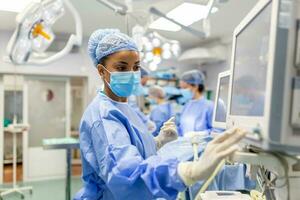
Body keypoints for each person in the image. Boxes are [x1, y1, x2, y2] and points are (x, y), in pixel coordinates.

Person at [74, 29, 246, 200]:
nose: (132, 73)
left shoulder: (123, 106)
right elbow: (124, 173)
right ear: (102, 71)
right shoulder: (104, 115)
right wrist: (187, 172)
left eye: (136, 67)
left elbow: (133, 149)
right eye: (121, 67)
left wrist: (158, 142)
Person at [178, 70, 214, 136]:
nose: (182, 91)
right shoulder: (187, 105)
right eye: (181, 88)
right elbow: (181, 128)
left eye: (185, 87)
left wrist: (201, 134)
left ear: (195, 86)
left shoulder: (210, 106)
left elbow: (218, 131)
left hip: (203, 145)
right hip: (185, 144)